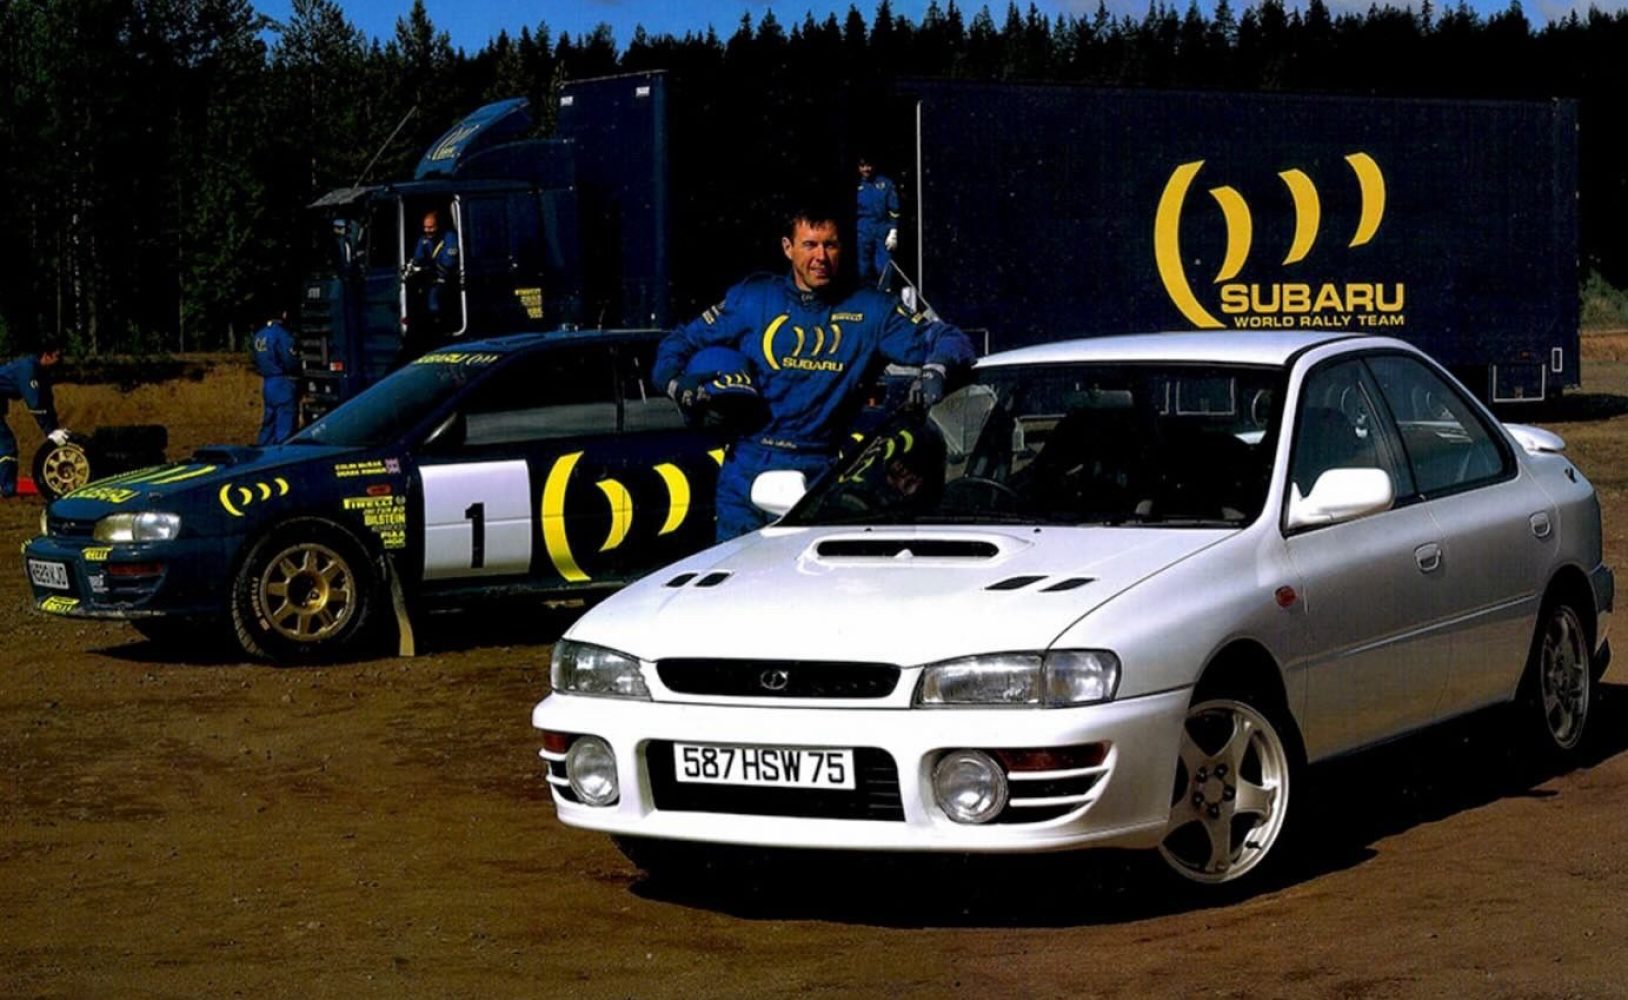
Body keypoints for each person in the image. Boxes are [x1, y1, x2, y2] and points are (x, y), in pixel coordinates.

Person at [654, 205, 974, 541]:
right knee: (735, 571)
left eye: (830, 245)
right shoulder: (753, 298)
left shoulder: (872, 310)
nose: (820, 257)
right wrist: (675, 383)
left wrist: (937, 367)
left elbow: (948, 338)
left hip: (815, 473)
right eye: (809, 245)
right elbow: (679, 342)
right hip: (744, 469)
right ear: (788, 247)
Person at [0, 340, 68, 497]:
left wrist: (55, 430)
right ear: (46, 356)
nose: (61, 361)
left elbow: (47, 402)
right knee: (6, 445)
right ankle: (5, 487)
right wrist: (49, 431)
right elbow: (35, 404)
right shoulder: (28, 369)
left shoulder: (41, 373)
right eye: (58, 356)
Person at [408, 209, 461, 333]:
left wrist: (431, 267)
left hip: (446, 280)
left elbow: (449, 262)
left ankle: (439, 327)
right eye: (425, 227)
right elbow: (418, 258)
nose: (427, 230)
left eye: (431, 227)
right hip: (428, 278)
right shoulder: (423, 239)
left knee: (434, 299)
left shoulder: (449, 237)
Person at [253, 312, 300, 446]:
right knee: (285, 425)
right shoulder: (282, 334)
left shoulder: (259, 334)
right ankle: (282, 452)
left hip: (268, 383)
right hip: (282, 383)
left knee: (269, 424)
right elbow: (289, 359)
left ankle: (262, 450)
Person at [855, 156, 900, 285]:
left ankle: (884, 291)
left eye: (868, 165)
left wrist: (893, 231)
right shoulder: (855, 185)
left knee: (884, 266)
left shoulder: (885, 184)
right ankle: (865, 291)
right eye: (862, 166)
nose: (866, 169)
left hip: (882, 228)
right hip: (863, 229)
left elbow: (894, 209)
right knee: (863, 267)